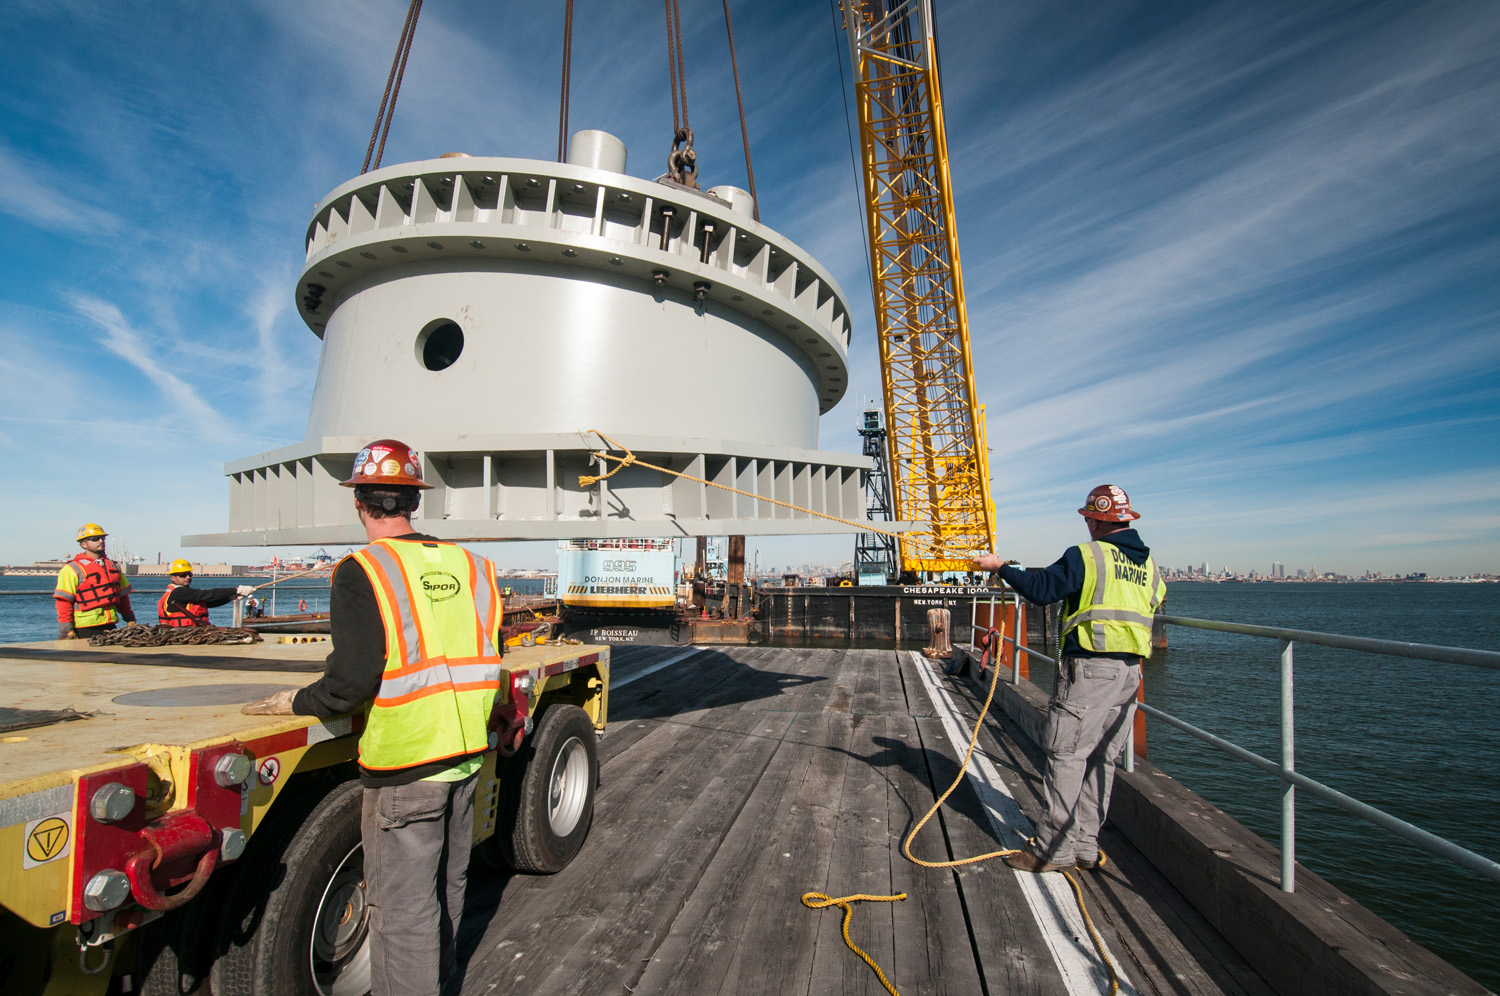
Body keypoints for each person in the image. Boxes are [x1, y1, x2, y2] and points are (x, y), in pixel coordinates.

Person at [241, 439, 504, 996]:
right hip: (466, 760)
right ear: (414, 500)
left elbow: (351, 683)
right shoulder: (476, 568)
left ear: (359, 502)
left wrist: (292, 702)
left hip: (407, 766)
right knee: (447, 890)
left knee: (403, 913)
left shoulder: (363, 570)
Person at [971, 484, 1165, 874]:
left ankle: (1052, 850)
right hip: (1130, 674)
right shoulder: (1149, 565)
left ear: (1095, 519)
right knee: (1101, 759)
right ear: (1126, 520)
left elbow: (1042, 591)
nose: (1087, 525)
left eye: (1088, 518)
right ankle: (1085, 846)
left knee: (1066, 755)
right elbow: (1155, 600)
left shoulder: (1088, 555)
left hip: (1091, 669)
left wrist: (999, 567)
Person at [54, 523, 138, 639]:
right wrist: (66, 630)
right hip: (84, 628)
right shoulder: (72, 569)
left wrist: (130, 619)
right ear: (83, 544)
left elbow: (123, 596)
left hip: (110, 625)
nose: (101, 541)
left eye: (102, 538)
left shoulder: (113, 566)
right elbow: (63, 601)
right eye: (95, 539)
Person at [156, 559, 255, 627]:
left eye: (189, 574)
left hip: (190, 630)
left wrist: (230, 597)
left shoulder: (181, 591)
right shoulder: (179, 592)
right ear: (173, 578)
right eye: (183, 575)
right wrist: (236, 590)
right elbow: (208, 594)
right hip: (182, 631)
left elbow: (208, 603)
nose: (188, 577)